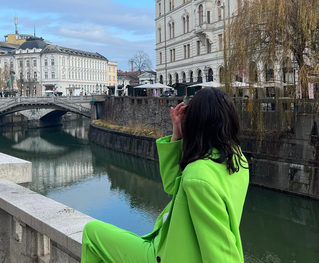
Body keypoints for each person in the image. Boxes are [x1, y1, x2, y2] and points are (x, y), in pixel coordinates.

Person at [81, 87, 249, 263]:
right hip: (177, 248)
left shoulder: (198, 175)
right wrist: (177, 133)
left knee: (92, 233)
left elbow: (221, 253)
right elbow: (173, 186)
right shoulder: (238, 161)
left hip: (167, 256)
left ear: (195, 123)